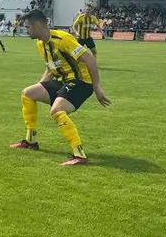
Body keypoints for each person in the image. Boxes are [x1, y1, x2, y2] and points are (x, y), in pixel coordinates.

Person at [9, 9, 110, 166]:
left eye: (27, 27)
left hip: (81, 82)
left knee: (56, 110)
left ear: (37, 25)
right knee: (28, 94)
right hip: (62, 81)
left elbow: (89, 59)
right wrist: (41, 85)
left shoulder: (63, 38)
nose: (26, 30)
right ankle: (31, 141)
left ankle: (80, 155)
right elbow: (51, 68)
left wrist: (97, 88)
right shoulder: (40, 44)